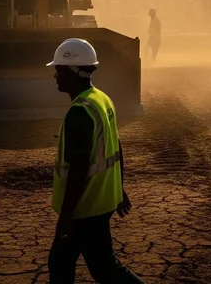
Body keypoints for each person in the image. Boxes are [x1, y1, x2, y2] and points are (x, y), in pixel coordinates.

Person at [46, 38, 143, 283]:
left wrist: (66, 218)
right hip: (100, 201)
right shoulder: (101, 99)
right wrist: (118, 187)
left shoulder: (80, 112)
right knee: (64, 263)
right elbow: (115, 144)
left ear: (73, 72)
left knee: (103, 269)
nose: (55, 77)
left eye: (58, 70)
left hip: (85, 208)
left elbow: (78, 170)